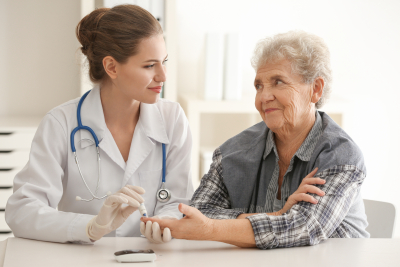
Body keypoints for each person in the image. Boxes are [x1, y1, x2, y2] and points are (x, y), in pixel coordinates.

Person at [142, 30, 369, 249]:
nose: (263, 97)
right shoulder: (232, 152)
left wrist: (213, 228)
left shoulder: (340, 155)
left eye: (278, 81)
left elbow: (304, 226)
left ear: (315, 89)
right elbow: (200, 212)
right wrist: (277, 216)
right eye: (259, 86)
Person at [5, 4, 193, 244]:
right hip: (81, 258)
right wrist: (90, 228)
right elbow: (22, 212)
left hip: (150, 256)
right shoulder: (61, 123)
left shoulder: (173, 119)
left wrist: (165, 222)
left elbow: (179, 201)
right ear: (112, 67)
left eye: (164, 61)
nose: (163, 76)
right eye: (149, 65)